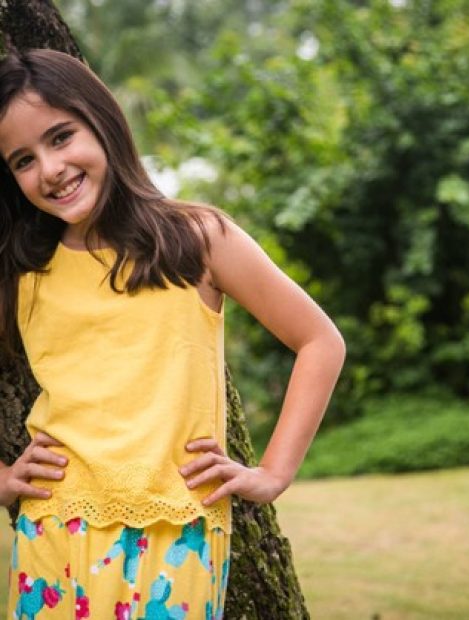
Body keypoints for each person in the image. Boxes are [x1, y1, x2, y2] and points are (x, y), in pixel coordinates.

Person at [0, 48, 345, 619]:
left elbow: (320, 341)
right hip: (55, 530)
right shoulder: (24, 272)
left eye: (61, 137)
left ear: (101, 122)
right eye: (23, 160)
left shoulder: (196, 239)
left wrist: (273, 473)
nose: (50, 168)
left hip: (176, 531)